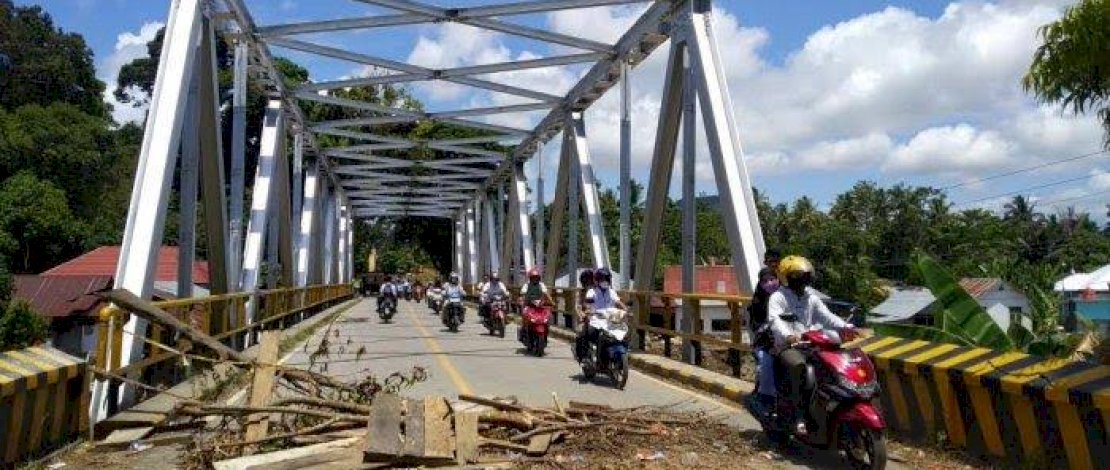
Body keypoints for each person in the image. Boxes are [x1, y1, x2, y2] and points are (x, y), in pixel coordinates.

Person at [767, 255, 852, 433]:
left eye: (805, 275)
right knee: (799, 366)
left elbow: (828, 317)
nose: (803, 279)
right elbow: (775, 320)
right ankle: (798, 415)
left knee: (834, 364)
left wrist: (847, 327)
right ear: (787, 277)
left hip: (810, 343)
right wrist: (789, 335)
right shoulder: (778, 297)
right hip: (787, 346)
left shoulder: (811, 298)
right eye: (798, 275)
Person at [576, 268, 628, 363]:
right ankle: (584, 356)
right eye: (603, 279)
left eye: (607, 279)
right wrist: (587, 311)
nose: (605, 281)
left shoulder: (611, 291)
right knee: (585, 333)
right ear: (597, 280)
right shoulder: (592, 291)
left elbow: (618, 302)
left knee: (622, 333)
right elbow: (587, 303)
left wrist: (625, 309)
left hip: (610, 319)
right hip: (596, 319)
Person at [750, 249, 782, 399]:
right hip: (767, 331)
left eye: (775, 262)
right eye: (770, 262)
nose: (773, 265)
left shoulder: (788, 284)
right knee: (765, 359)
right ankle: (763, 392)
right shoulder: (761, 289)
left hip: (788, 330)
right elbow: (758, 313)